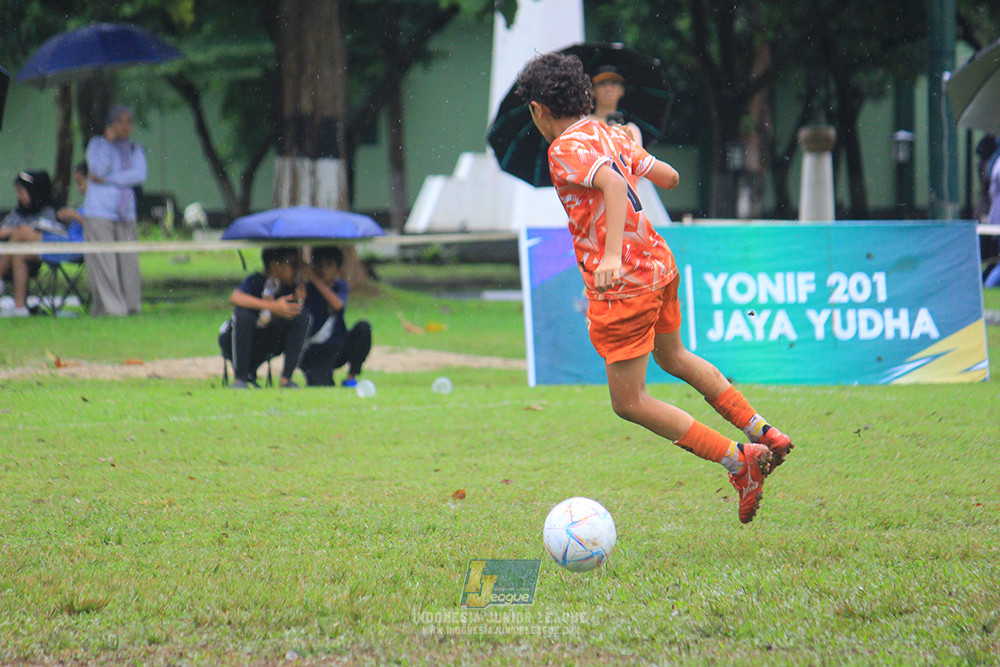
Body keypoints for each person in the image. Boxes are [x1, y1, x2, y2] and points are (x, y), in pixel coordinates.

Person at [515, 52, 793, 524]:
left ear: (539, 110)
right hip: (659, 267)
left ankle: (739, 459)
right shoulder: (611, 132)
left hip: (623, 285)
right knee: (675, 357)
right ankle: (762, 430)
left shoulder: (563, 147)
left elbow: (613, 187)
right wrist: (634, 156)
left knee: (629, 402)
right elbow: (669, 176)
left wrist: (607, 256)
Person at [83, 104, 147, 316]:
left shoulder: (134, 149)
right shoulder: (97, 145)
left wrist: (109, 180)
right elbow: (97, 169)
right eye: (119, 121)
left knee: (129, 262)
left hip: (125, 212)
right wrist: (107, 143)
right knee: (105, 262)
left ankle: (131, 305)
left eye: (128, 122)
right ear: (110, 124)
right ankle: (112, 309)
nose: (125, 127)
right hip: (100, 211)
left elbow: (138, 175)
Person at [219, 246, 309, 389]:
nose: (295, 270)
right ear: (275, 265)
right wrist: (272, 306)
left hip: (267, 343)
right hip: (239, 340)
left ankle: (286, 379)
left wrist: (298, 303)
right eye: (291, 265)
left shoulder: (291, 288)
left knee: (302, 317)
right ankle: (240, 379)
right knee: (243, 315)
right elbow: (235, 297)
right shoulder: (256, 280)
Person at [299, 245, 372, 387]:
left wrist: (313, 277)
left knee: (363, 328)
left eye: (328, 266)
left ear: (338, 270)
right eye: (318, 266)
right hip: (315, 350)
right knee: (322, 385)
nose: (323, 270)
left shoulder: (340, 287)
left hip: (337, 345)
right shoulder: (305, 290)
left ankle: (351, 377)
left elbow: (338, 305)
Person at [0, 170, 66, 316]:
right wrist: (15, 232)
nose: (19, 197)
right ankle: (20, 307)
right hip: (16, 256)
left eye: (22, 192)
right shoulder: (19, 212)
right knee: (18, 245)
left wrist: (20, 232)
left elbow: (55, 233)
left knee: (20, 236)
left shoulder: (49, 211)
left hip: (49, 251)